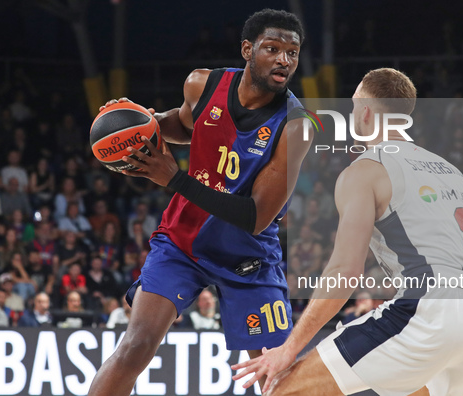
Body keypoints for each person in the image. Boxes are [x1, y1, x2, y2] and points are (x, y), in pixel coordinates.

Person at [233, 68, 463, 395]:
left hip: (435, 314)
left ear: (364, 111)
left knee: (282, 389)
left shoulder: (366, 169)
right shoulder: (451, 172)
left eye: (352, 107)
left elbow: (344, 272)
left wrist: (289, 348)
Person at [87, 9, 311, 396]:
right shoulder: (202, 84)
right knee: (135, 346)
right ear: (247, 49)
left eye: (292, 52)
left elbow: (255, 217)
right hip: (181, 242)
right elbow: (185, 123)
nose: (283, 60)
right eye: (272, 49)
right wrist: (142, 124)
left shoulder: (297, 126)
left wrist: (174, 179)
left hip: (249, 257)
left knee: (275, 375)